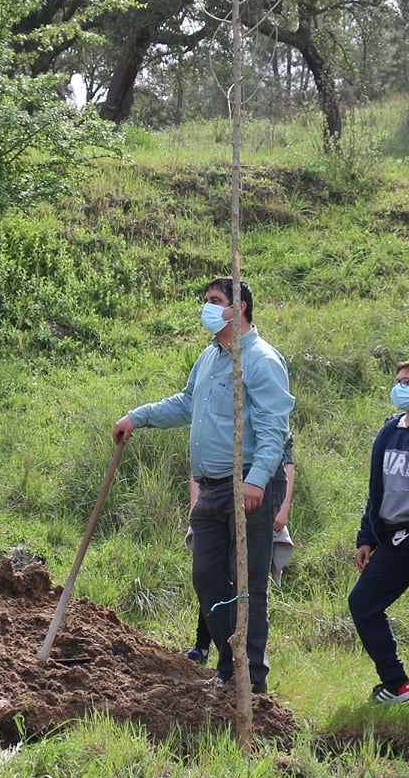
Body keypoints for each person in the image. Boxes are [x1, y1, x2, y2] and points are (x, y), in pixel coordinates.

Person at [114, 277, 294, 693]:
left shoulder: (261, 360)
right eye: (206, 300)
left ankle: (250, 679)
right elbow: (185, 402)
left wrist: (257, 480)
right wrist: (137, 417)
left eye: (215, 301)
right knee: (207, 578)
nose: (207, 308)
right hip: (210, 488)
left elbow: (273, 429)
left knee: (247, 584)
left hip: (248, 488)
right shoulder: (211, 356)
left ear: (240, 308)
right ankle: (229, 668)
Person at [349, 359, 409, 703]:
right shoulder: (390, 428)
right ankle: (397, 683)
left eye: (408, 381)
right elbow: (376, 489)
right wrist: (366, 537)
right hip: (390, 541)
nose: (400, 386)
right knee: (362, 603)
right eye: (399, 380)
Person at [184, 449, 292, 663]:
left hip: (252, 497)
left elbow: (285, 459)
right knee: (211, 577)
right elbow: (201, 459)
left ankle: (247, 664)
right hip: (212, 497)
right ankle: (217, 652)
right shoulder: (213, 422)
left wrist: (283, 508)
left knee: (243, 579)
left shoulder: (263, 421)